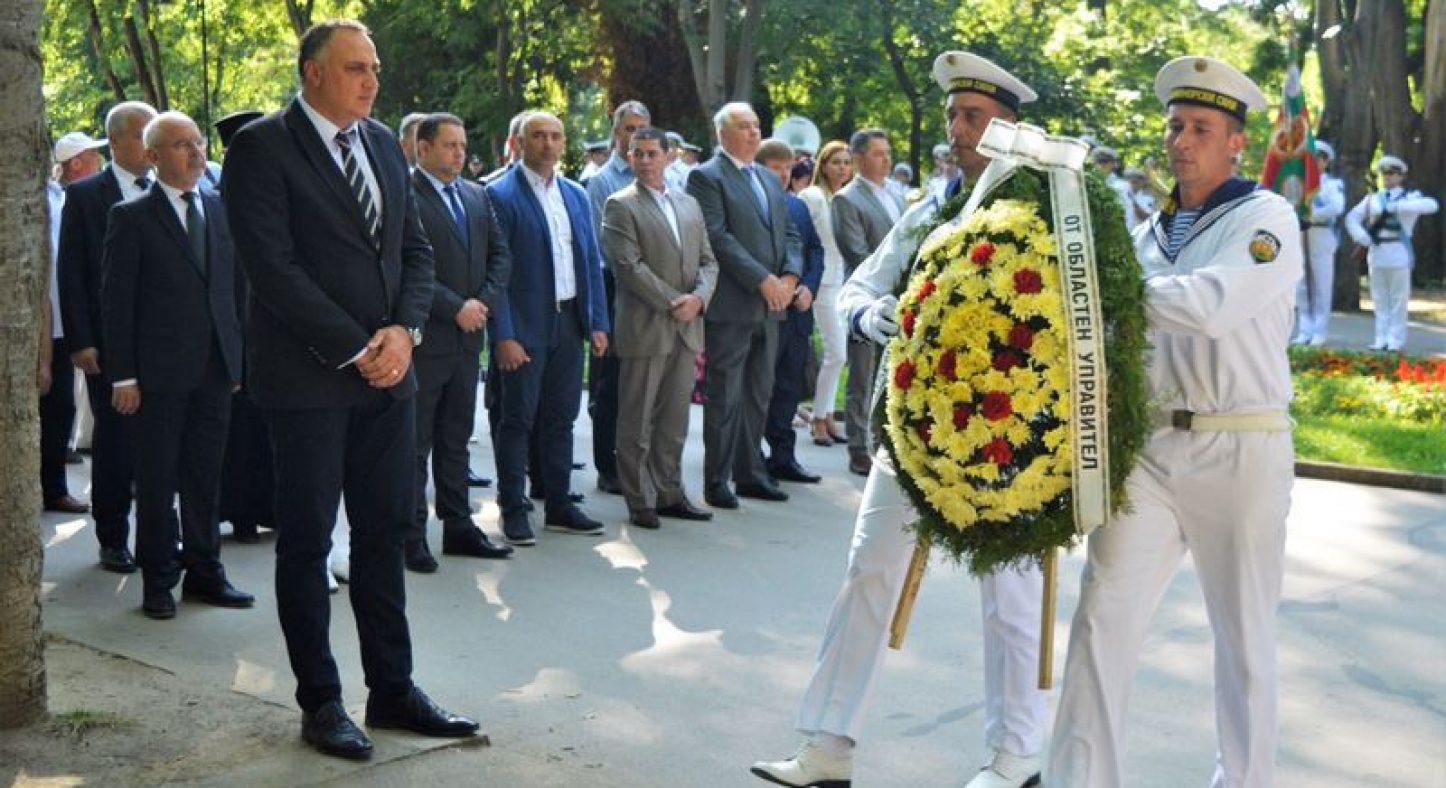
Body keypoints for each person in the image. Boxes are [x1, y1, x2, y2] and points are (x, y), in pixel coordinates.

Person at [751, 51, 1047, 788]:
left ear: (1009, 126)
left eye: (973, 117)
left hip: (1005, 435)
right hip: (914, 427)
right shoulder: (931, 210)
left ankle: (1015, 757)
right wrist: (869, 313)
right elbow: (860, 284)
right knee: (867, 572)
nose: (957, 129)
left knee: (1008, 595)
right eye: (952, 115)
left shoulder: (1046, 214)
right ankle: (828, 746)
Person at [222, 19, 477, 759]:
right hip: (309, 383)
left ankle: (392, 689)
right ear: (313, 73)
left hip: (390, 379)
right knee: (307, 544)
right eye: (356, 68)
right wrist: (356, 347)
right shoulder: (261, 148)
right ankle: (322, 702)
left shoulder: (383, 144)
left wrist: (404, 332)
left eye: (375, 68)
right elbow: (272, 270)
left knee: (385, 534)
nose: (371, 81)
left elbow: (415, 251)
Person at [1047, 56, 1303, 788]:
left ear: (1236, 144)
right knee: (1102, 619)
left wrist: (1095, 287)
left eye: (1201, 129)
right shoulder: (1146, 234)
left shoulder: (1266, 218)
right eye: (1175, 127)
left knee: (1244, 638)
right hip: (1152, 448)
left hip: (1241, 445)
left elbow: (1211, 305)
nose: (1181, 142)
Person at [100, 111, 253, 620]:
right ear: (153, 156)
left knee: (205, 478)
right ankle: (158, 580)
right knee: (158, 481)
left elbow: (234, 291)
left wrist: (236, 360)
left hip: (215, 370)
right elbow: (117, 303)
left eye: (198, 142)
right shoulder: (132, 217)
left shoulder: (220, 208)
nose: (196, 152)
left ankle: (206, 573)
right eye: (182, 145)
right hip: (158, 377)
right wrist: (124, 376)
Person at [486, 111, 611, 545]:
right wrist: (503, 334)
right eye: (538, 136)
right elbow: (496, 273)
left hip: (569, 322)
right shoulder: (500, 194)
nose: (548, 143)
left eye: (556, 136)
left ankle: (558, 503)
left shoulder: (575, 194)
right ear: (520, 143)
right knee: (517, 420)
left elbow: (590, 261)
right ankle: (513, 508)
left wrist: (598, 321)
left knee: (561, 418)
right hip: (524, 326)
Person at [405, 112, 514, 570]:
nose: (459, 154)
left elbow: (500, 255)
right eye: (450, 145)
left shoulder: (476, 195)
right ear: (423, 148)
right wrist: (455, 307)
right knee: (416, 443)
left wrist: (481, 303)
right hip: (427, 340)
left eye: (463, 146)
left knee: (456, 438)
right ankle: (410, 535)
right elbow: (406, 266)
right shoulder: (404, 196)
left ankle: (458, 526)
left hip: (468, 340)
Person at [686, 101, 803, 509]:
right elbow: (717, 237)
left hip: (773, 305)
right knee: (725, 395)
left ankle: (750, 473)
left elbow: (790, 233)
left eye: (756, 125)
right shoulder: (707, 177)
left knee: (758, 394)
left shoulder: (768, 178)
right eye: (744, 126)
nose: (754, 132)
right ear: (723, 134)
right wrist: (763, 280)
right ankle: (716, 480)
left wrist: (789, 278)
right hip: (733, 305)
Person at [58, 99, 157, 574]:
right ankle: (113, 537)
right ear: (115, 142)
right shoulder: (85, 197)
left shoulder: (172, 187)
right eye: (142, 136)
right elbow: (72, 272)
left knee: (162, 444)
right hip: (109, 344)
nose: (151, 146)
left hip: (165, 342)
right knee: (116, 442)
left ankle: (162, 536)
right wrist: (81, 340)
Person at [601, 127, 718, 529]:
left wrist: (699, 298)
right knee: (636, 419)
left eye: (653, 153)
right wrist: (675, 302)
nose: (645, 160)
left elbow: (709, 261)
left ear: (670, 157)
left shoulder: (689, 204)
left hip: (687, 327)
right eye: (638, 154)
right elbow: (628, 267)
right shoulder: (620, 205)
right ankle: (640, 499)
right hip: (646, 326)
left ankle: (669, 492)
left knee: (674, 419)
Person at [586, 100, 652, 496]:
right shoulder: (602, 181)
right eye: (629, 128)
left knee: (644, 383)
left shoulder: (660, 176)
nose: (635, 136)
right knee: (610, 383)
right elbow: (604, 246)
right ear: (616, 133)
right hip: (614, 286)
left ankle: (639, 462)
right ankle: (607, 467)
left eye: (642, 128)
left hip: (653, 290)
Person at [831, 128, 901, 478]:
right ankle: (858, 446)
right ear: (858, 159)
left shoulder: (896, 195)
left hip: (898, 301)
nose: (886, 160)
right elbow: (856, 252)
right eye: (877, 153)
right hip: (865, 301)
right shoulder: (846, 199)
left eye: (888, 153)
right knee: (862, 375)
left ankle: (883, 441)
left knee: (887, 375)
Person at [42, 131, 105, 516]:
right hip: (46, 323)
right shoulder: (47, 201)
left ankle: (52, 487)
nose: (99, 162)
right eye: (93, 157)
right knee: (55, 407)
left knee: (60, 410)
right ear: (76, 163)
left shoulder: (63, 199)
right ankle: (50, 488)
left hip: (63, 323)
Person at [759, 142, 823, 486]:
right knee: (760, 387)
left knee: (788, 387)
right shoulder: (753, 205)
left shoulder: (798, 206)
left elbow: (815, 250)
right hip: (766, 310)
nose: (784, 174)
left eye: (788, 167)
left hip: (798, 312)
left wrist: (808, 287)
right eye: (776, 167)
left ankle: (783, 457)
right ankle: (750, 458)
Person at [1344, 155, 1439, 352]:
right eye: (1385, 173)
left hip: (1399, 254)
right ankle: (1381, 338)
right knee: (1379, 299)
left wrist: (1399, 206)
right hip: (1377, 253)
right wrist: (1361, 236)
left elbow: (1432, 205)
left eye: (1392, 173)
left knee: (1398, 300)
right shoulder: (1372, 199)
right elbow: (1352, 218)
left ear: (1401, 176)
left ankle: (1396, 340)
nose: (1388, 177)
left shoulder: (1410, 198)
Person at [796, 140, 852, 447]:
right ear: (823, 165)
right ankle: (818, 419)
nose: (842, 168)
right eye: (836, 162)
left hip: (839, 280)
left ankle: (827, 415)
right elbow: (799, 237)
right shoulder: (813, 196)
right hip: (819, 281)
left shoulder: (844, 197)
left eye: (846, 162)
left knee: (836, 353)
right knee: (837, 352)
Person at [1291, 141, 1346, 346]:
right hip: (1300, 233)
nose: (1314, 163)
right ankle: (1305, 329)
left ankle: (1320, 330)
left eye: (1319, 159)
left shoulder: (1331, 185)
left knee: (1321, 284)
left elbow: (1337, 207)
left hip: (1321, 233)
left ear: (1325, 162)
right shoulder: (1297, 183)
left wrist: (1312, 215)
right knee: (1301, 283)